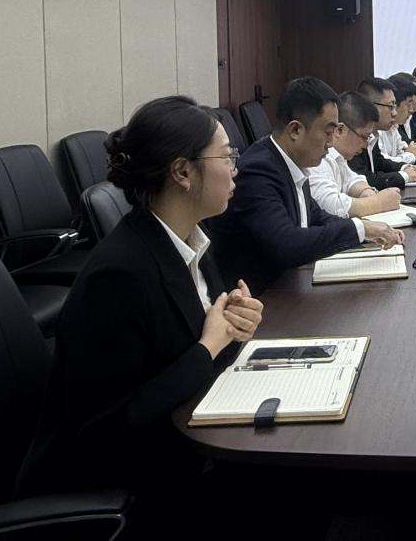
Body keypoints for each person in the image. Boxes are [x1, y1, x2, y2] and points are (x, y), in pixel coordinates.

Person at [18, 95, 265, 512]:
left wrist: (235, 323)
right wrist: (208, 346)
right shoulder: (118, 276)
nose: (234, 168)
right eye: (227, 156)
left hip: (189, 439)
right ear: (182, 172)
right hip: (133, 486)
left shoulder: (193, 239)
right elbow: (107, 428)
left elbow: (196, 331)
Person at [205, 78, 403, 293]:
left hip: (289, 289)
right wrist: (359, 229)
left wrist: (367, 232)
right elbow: (286, 244)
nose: (331, 143)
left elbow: (317, 216)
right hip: (262, 299)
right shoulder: (258, 171)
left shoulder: (290, 162)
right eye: (327, 132)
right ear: (295, 130)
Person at [309, 91, 403, 218]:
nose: (365, 145)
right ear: (340, 130)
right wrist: (379, 203)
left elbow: (352, 179)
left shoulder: (339, 158)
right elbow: (330, 205)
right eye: (364, 137)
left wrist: (366, 192)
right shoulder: (319, 158)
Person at [349, 77, 416, 188]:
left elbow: (380, 163)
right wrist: (405, 176)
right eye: (390, 107)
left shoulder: (373, 134)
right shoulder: (353, 136)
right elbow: (366, 179)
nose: (395, 113)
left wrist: (405, 167)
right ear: (370, 106)